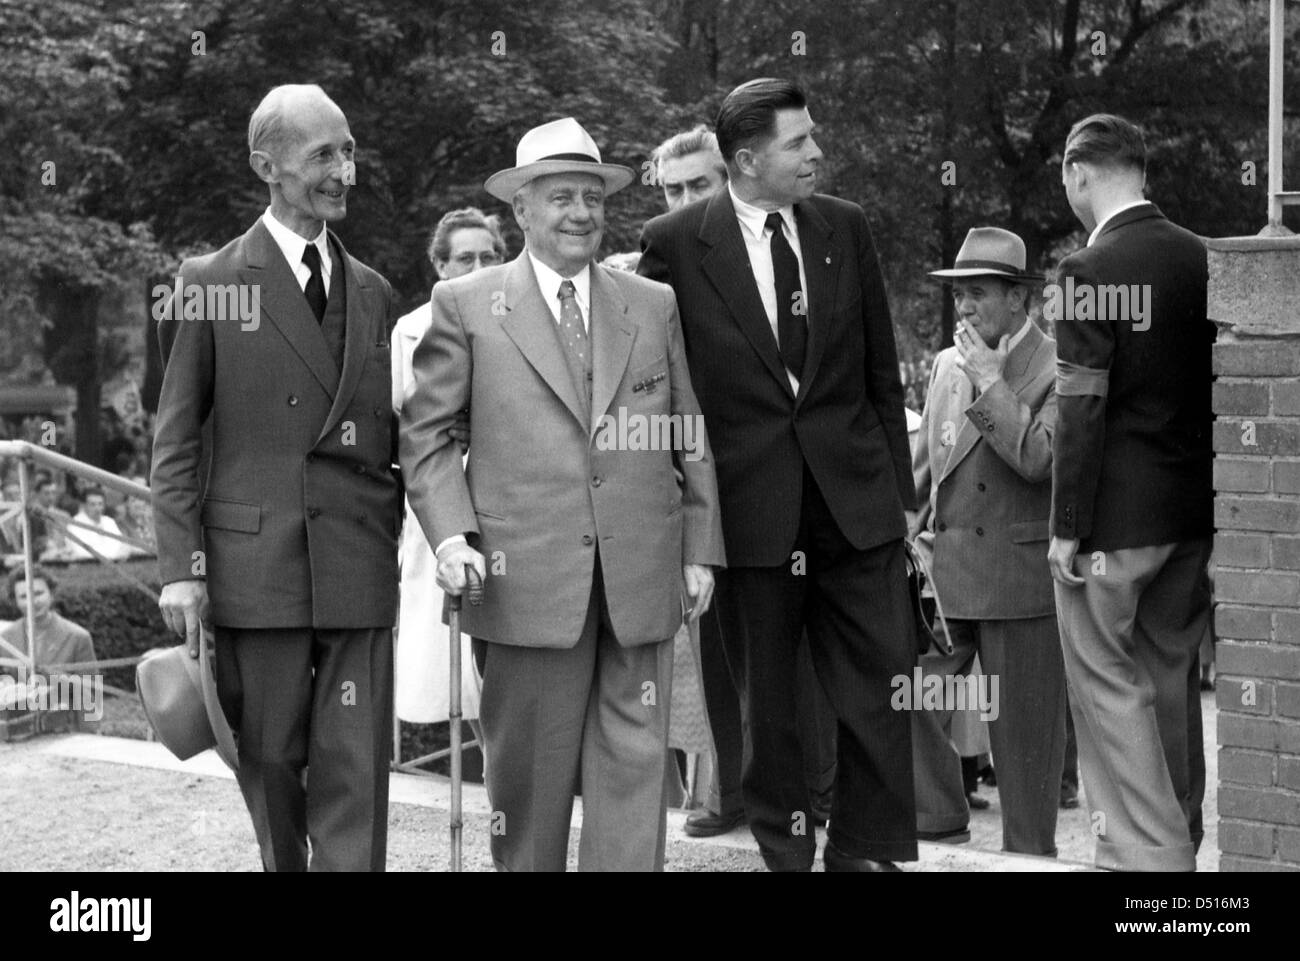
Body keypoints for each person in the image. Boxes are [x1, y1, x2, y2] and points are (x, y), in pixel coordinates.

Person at [400, 117, 724, 872]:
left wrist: (700, 547)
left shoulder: (652, 304)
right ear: (520, 210)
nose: (580, 212)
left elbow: (688, 431)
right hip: (522, 588)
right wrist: (453, 538)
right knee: (531, 792)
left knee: (636, 781)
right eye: (560, 198)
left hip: (642, 581)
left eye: (591, 196)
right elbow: (427, 438)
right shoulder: (468, 306)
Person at [640, 78, 918, 872]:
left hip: (855, 503)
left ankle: (863, 849)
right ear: (746, 159)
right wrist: (684, 513)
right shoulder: (675, 241)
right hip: (747, 509)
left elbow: (880, 374)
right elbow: (661, 387)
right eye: (800, 142)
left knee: (879, 685)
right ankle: (787, 849)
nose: (817, 153)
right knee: (769, 703)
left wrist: (899, 502)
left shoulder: (844, 227)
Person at [151, 84, 402, 872]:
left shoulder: (373, 290)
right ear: (266, 165)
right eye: (323, 154)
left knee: (357, 767)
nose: (344, 171)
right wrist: (180, 573)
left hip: (357, 563)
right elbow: (176, 438)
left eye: (349, 150)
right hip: (256, 573)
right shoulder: (208, 278)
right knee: (269, 762)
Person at [651, 122, 837, 837]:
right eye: (673, 189)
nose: (687, 200)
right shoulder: (664, 255)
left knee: (802, 651)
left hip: (793, 477)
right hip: (707, 483)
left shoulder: (784, 243)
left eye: (700, 184)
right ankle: (728, 790)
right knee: (717, 650)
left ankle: (816, 798)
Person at [1049, 113, 1214, 872]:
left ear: (1080, 171)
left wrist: (1067, 524)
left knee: (1107, 692)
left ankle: (1153, 867)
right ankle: (1182, 834)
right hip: (1192, 516)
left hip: (1112, 524)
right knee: (1168, 680)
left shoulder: (1086, 270)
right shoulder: (1198, 256)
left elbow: (1081, 406)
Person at [911, 226, 1067, 856]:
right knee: (904, 696)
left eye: (977, 294)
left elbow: (1041, 459)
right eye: (959, 296)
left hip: (1022, 585)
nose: (965, 309)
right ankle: (940, 817)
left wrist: (992, 384)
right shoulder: (947, 364)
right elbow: (929, 466)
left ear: (1016, 301)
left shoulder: (1061, 364)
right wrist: (909, 530)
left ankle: (1031, 858)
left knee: (1026, 758)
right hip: (948, 580)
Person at [391, 207, 505, 744]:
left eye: (490, 256)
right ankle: (488, 765)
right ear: (440, 266)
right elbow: (406, 420)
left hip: (510, 485)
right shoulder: (413, 330)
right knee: (451, 645)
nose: (478, 266)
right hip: (443, 489)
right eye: (465, 258)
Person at [0, 566, 97, 710]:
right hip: (19, 726)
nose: (33, 602)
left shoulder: (78, 637)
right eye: (24, 597)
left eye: (38, 593)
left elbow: (90, 695)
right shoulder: (5, 640)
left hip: (65, 726)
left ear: (51, 594)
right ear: (15, 601)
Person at [65, 487, 135, 561]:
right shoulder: (74, 525)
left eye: (100, 504)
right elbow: (81, 553)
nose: (97, 508)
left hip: (116, 564)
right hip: (88, 567)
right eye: (93, 504)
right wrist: (112, 556)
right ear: (84, 505)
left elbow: (123, 546)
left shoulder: (109, 521)